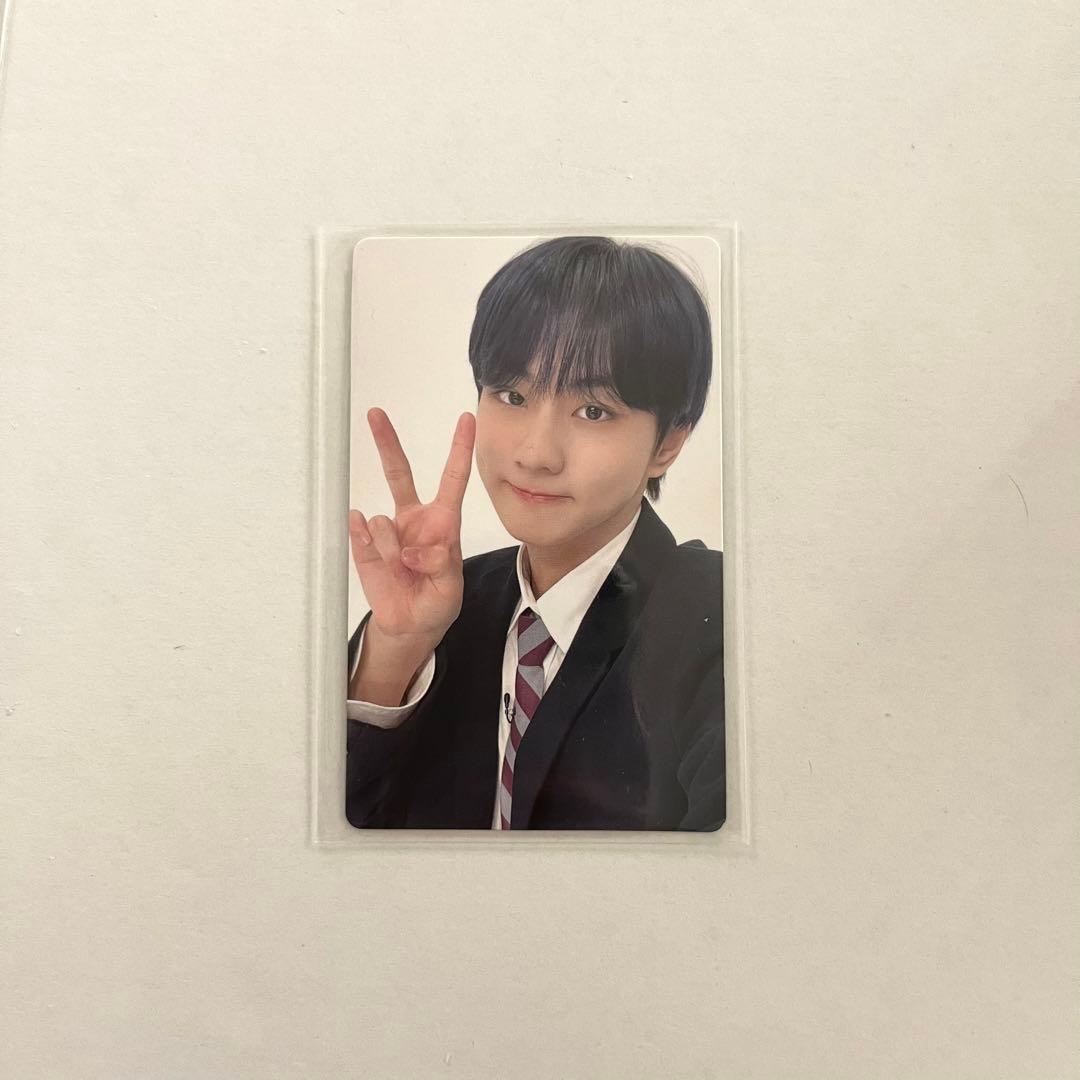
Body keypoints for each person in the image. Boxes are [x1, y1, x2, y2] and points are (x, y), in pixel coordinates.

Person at [345, 235, 724, 831]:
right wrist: (395, 651)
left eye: (593, 410)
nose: (535, 454)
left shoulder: (719, 618)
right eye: (513, 395)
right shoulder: (449, 605)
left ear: (669, 443)